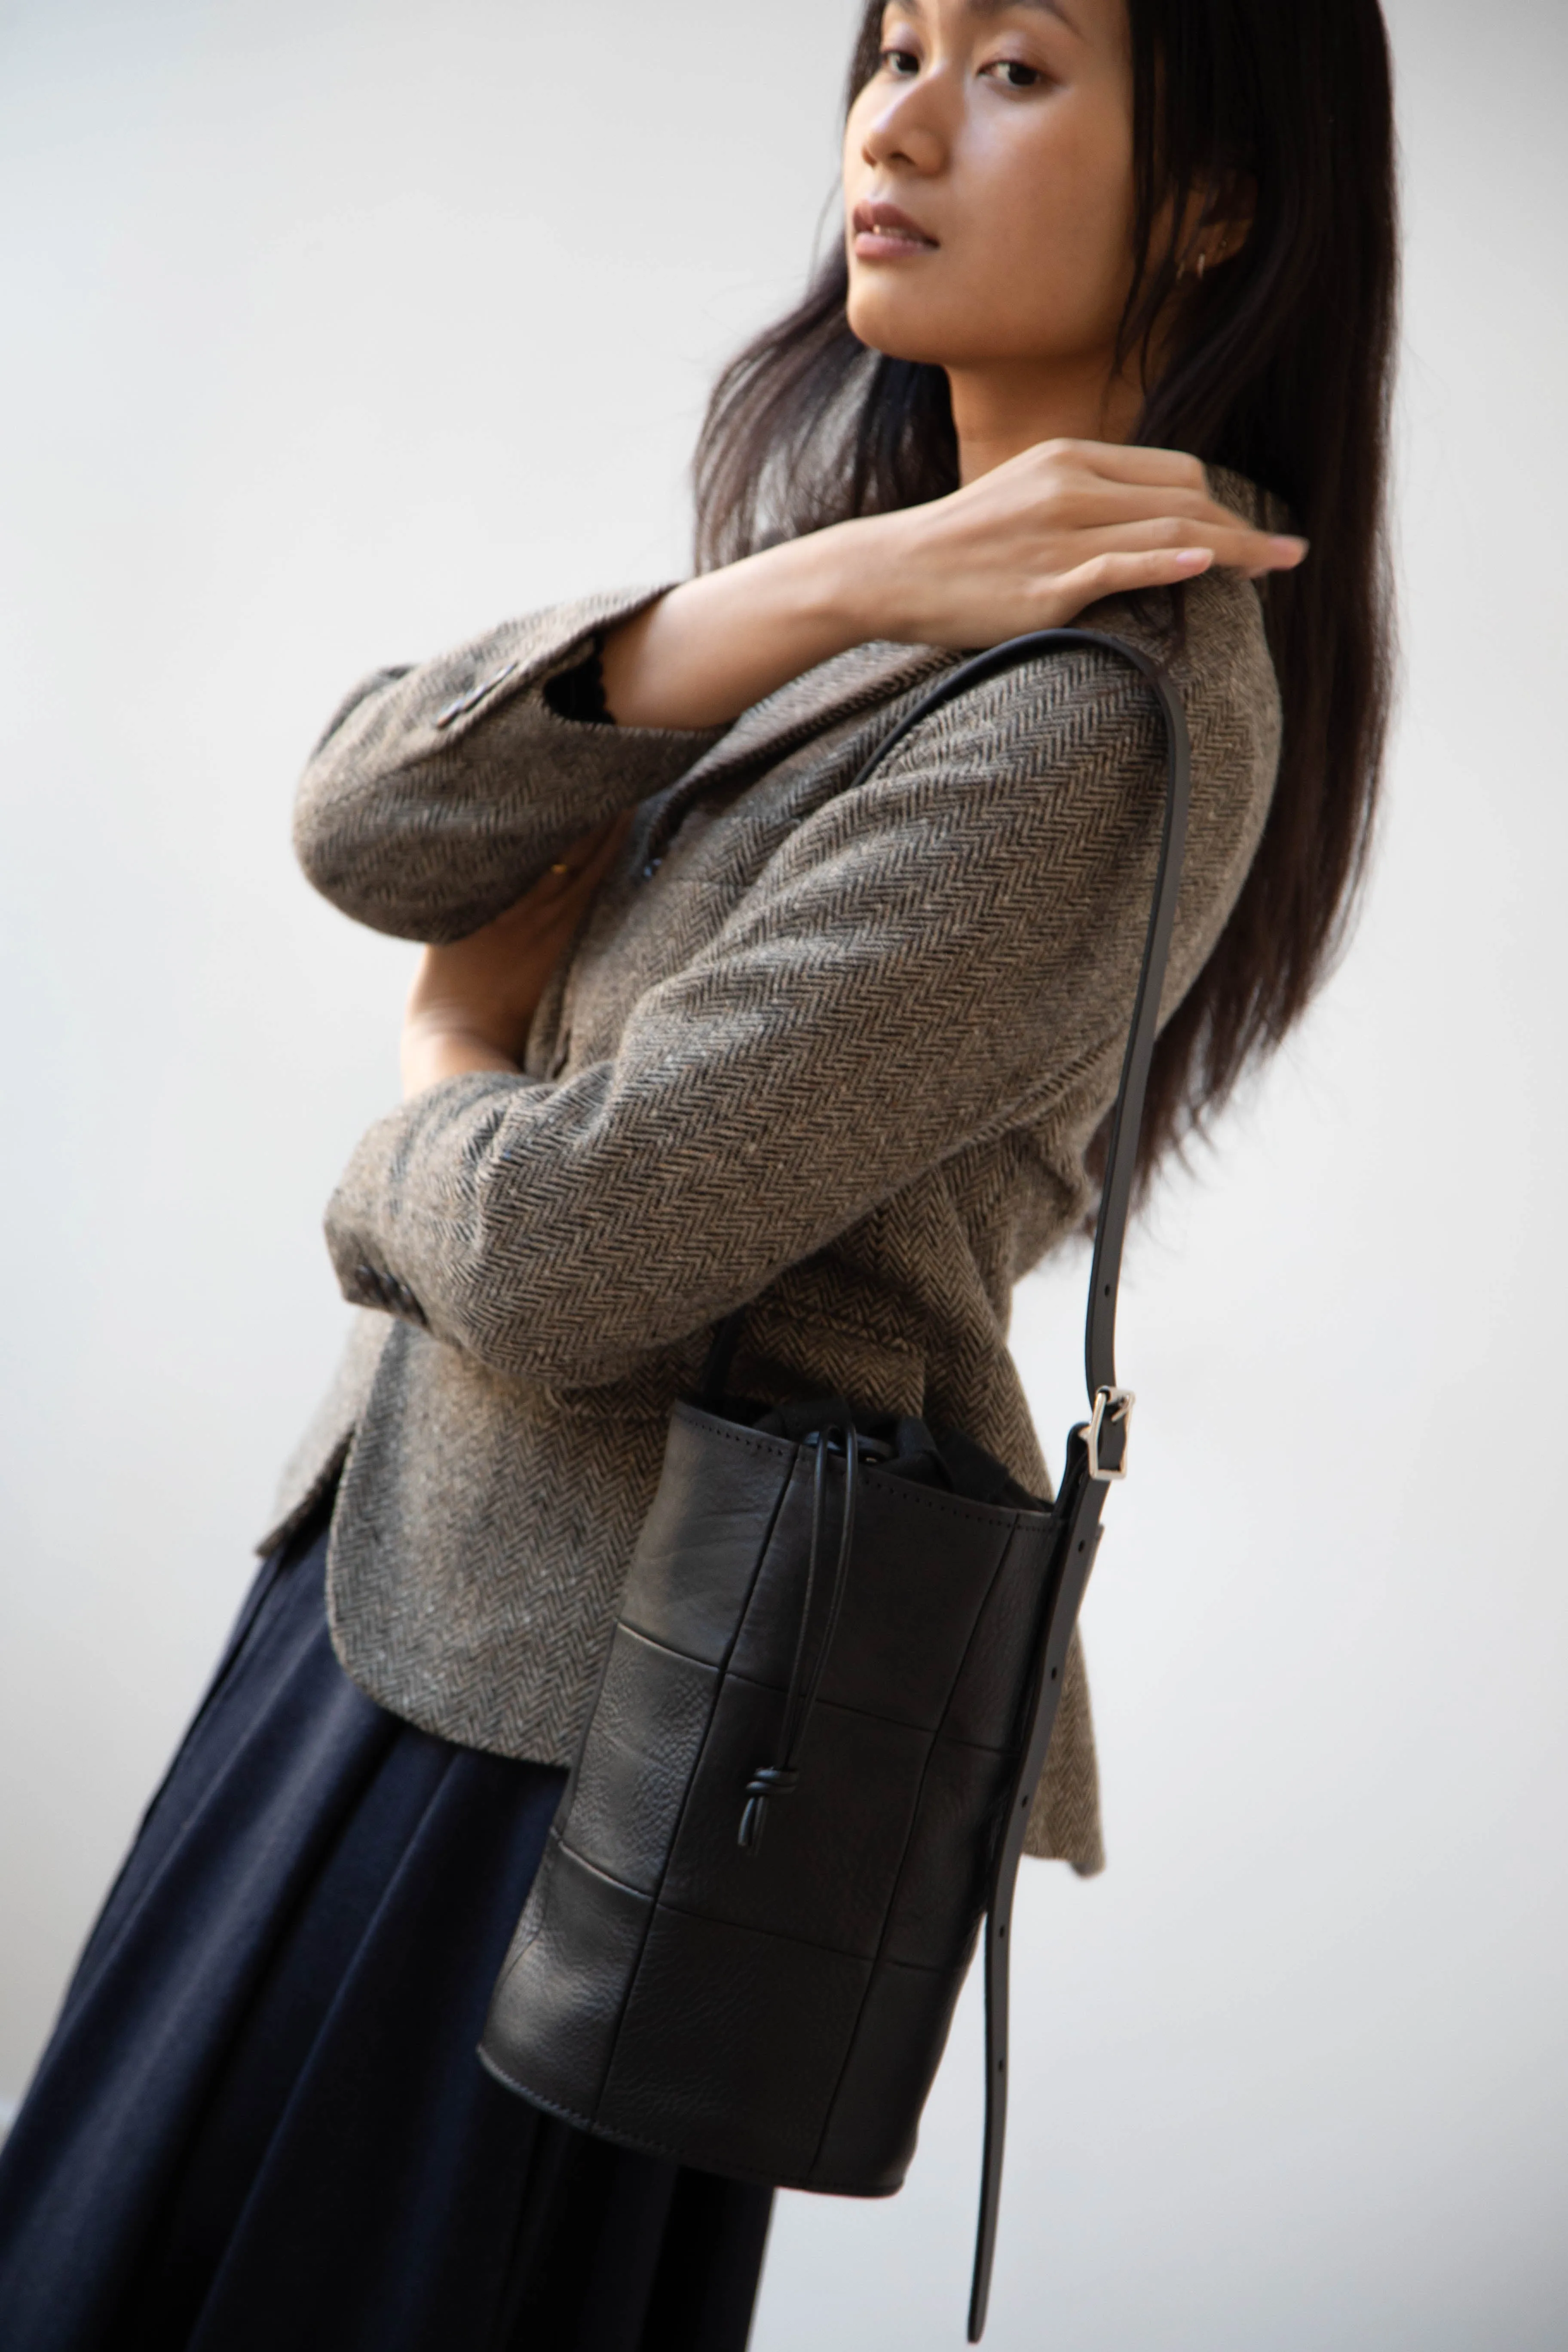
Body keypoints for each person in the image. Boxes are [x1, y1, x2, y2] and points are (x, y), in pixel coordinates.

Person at [0, 1, 1397, 2345]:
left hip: (591, 1759)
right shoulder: (894, 613)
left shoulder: (1096, 720)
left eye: (1016, 68)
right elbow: (370, 821)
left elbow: (561, 1258)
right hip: (406, 1625)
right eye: (892, 45)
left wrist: (443, 1058)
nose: (899, 117)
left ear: (1222, 197)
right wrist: (822, 590)